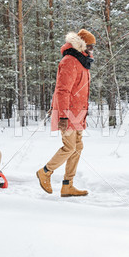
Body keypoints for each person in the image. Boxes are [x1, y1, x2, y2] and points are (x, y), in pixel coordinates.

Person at [36, 29, 96, 197]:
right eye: (90, 46)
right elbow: (63, 90)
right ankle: (45, 172)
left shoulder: (82, 62)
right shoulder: (70, 61)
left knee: (77, 147)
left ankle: (67, 185)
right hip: (68, 113)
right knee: (70, 147)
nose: (92, 50)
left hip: (78, 112)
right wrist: (62, 115)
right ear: (82, 45)